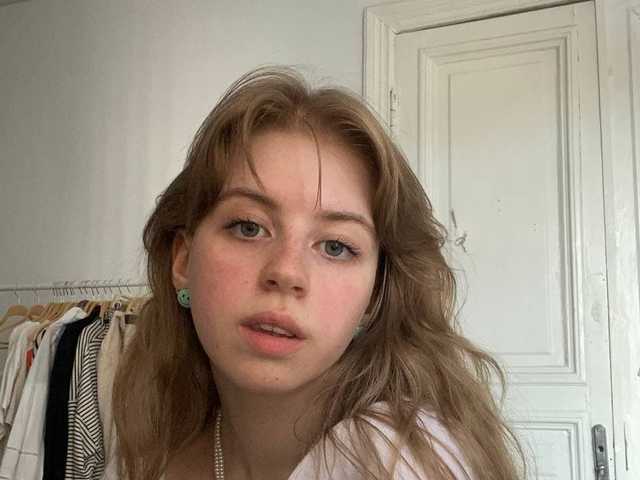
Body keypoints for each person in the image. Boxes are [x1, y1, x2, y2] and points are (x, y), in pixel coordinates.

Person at [112, 65, 526, 480]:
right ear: (183, 261)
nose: (286, 272)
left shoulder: (398, 461)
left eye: (335, 247)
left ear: (375, 297)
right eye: (249, 227)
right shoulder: (147, 454)